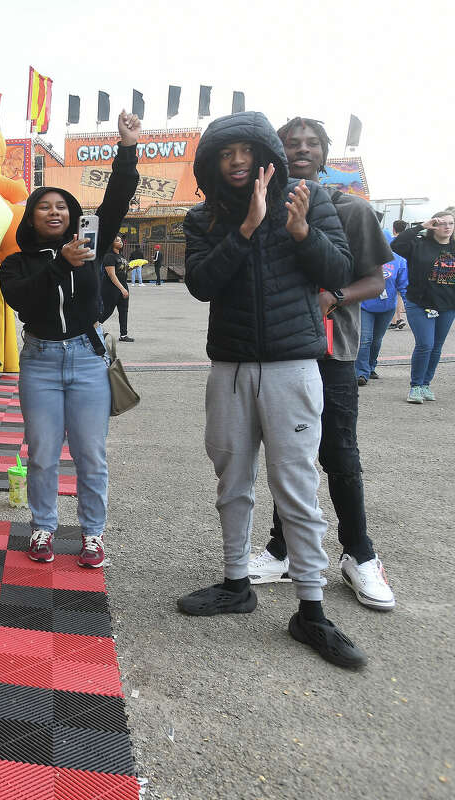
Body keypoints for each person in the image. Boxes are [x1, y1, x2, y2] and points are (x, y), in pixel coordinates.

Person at [179, 111, 365, 668]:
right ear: (212, 164)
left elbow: (338, 270)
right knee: (232, 480)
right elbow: (200, 283)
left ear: (266, 155)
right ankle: (237, 582)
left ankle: (311, 609)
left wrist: (301, 230)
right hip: (230, 367)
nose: (236, 162)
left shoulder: (309, 200)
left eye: (245, 151)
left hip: (293, 366)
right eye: (224, 154)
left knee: (298, 487)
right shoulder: (203, 218)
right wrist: (246, 228)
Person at [245, 117, 395, 612]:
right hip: (285, 351)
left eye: (311, 144)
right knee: (289, 452)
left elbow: (375, 282)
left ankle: (360, 554)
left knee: (338, 451)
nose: (301, 150)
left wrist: (334, 298)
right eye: (291, 144)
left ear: (325, 152)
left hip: (332, 352)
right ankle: (282, 549)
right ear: (276, 152)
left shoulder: (351, 209)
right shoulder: (265, 207)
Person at [0, 111, 141, 568]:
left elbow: (117, 202)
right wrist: (61, 264)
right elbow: (24, 302)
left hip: (86, 359)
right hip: (39, 360)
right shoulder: (18, 263)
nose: (55, 211)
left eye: (63, 206)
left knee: (90, 455)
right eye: (45, 205)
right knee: (41, 452)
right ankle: (43, 527)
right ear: (32, 217)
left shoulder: (93, 247)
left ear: (73, 215)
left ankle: (93, 535)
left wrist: (126, 149)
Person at [391, 210, 455, 403]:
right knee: (425, 344)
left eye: (451, 223)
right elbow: (396, 245)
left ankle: (426, 384)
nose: (447, 227)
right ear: (434, 225)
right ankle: (415, 386)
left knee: (437, 346)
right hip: (420, 302)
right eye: (442, 223)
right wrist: (420, 227)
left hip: (448, 305)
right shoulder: (419, 244)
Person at [356, 221, 410, 384]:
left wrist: (411, 306)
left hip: (387, 308)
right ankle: (361, 372)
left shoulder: (399, 260)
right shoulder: (363, 258)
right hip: (365, 306)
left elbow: (404, 285)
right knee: (365, 339)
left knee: (376, 340)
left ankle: (371, 367)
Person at [98, 235, 133, 342]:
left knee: (124, 311)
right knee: (107, 311)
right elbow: (112, 275)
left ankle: (123, 335)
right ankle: (92, 330)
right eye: (117, 240)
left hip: (123, 286)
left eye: (121, 240)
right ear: (112, 243)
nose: (120, 242)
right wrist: (122, 289)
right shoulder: (109, 256)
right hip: (111, 288)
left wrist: (133, 267)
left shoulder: (121, 256)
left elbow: (123, 271)